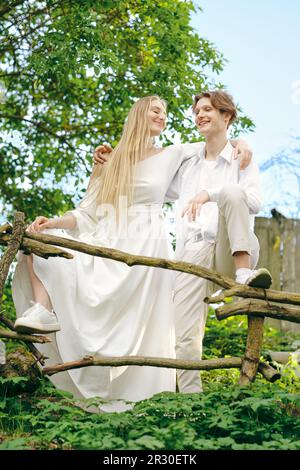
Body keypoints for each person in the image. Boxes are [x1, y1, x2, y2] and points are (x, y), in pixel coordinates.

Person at [93, 90, 271, 396]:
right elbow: (146, 187)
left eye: (207, 110)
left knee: (231, 193)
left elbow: (252, 200)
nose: (199, 115)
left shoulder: (241, 158)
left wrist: (210, 193)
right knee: (184, 335)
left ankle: (244, 276)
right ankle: (191, 404)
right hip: (192, 250)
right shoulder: (187, 163)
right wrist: (111, 161)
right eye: (197, 111)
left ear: (226, 117)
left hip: (231, 249)